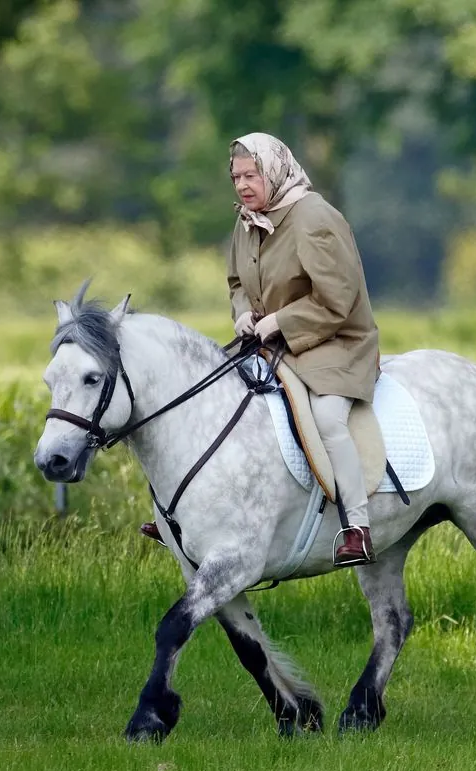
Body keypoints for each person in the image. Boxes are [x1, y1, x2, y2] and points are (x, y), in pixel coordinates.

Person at [140, 132, 380, 568]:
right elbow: (237, 284)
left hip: (336, 343)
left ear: (274, 170)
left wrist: (279, 321)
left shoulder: (314, 218)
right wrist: (243, 316)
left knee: (327, 419)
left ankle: (356, 527)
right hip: (273, 345)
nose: (243, 185)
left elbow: (338, 299)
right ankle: (185, 515)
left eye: (251, 175)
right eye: (236, 177)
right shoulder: (248, 220)